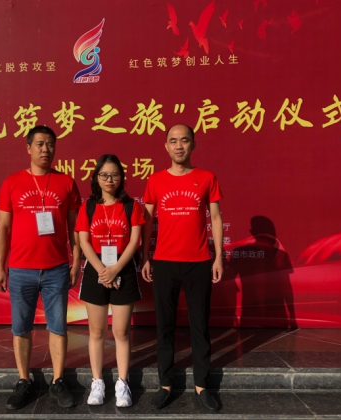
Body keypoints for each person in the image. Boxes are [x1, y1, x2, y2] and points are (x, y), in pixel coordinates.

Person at [0, 125, 81, 410]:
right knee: (21, 328)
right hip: (21, 269)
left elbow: (74, 228)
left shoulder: (66, 183)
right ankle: (24, 380)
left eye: (50, 144)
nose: (46, 149)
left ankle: (58, 381)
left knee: (58, 326)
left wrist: (76, 261)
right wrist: (0, 267)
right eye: (40, 144)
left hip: (56, 268)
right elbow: (4, 228)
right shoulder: (12, 183)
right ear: (29, 147)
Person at [141, 124, 224, 412]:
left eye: (184, 140)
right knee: (164, 326)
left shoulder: (207, 178)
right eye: (173, 141)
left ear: (193, 144)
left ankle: (202, 384)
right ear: (166, 146)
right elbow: (147, 222)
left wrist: (218, 257)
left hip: (198, 262)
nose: (179, 146)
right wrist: (145, 256)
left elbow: (215, 217)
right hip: (164, 262)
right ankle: (165, 384)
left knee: (200, 325)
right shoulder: (155, 180)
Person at [75, 154, 145, 408]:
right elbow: (84, 241)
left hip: (122, 269)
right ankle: (97, 382)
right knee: (96, 332)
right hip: (96, 269)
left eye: (115, 174)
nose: (109, 179)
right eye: (104, 175)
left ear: (121, 178)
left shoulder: (131, 206)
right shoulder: (88, 207)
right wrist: (102, 271)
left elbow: (135, 241)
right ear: (96, 177)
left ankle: (122, 383)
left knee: (121, 333)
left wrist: (114, 269)